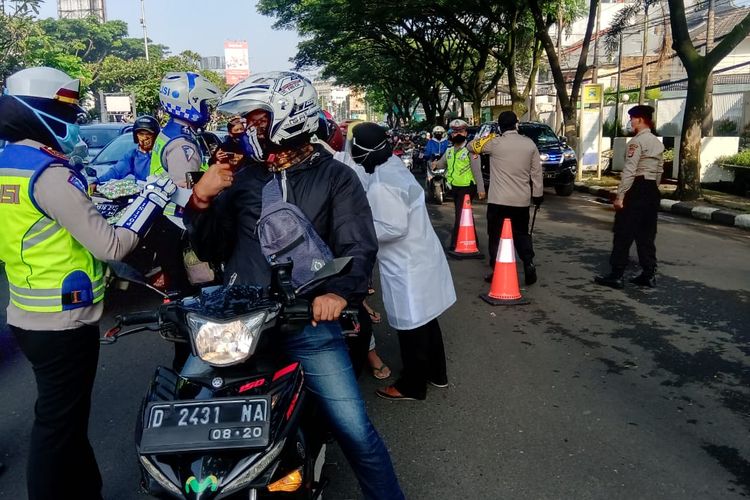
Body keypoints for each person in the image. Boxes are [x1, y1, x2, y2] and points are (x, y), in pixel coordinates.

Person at [184, 71, 404, 500]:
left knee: (355, 430)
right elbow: (209, 247)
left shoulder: (337, 178)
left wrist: (338, 293)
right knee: (183, 407)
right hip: (237, 327)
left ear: (289, 114)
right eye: (247, 120)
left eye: (257, 118)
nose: (249, 127)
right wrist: (203, 197)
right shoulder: (242, 177)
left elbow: (358, 246)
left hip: (309, 327)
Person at [0, 67, 175, 500]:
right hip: (63, 323)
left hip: (26, 314)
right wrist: (150, 202)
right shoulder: (48, 173)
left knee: (66, 419)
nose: (75, 122)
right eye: (68, 112)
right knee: (57, 426)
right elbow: (110, 245)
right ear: (42, 112)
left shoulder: (8, 165)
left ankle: (85, 491)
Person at [350, 123, 456, 401]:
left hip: (407, 265)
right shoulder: (393, 165)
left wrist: (360, 230)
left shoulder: (382, 183)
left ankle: (412, 385)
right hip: (420, 256)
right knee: (427, 319)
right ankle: (437, 373)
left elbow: (392, 227)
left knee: (411, 327)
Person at [470, 110, 543, 285]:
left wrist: (490, 137)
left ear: (500, 127)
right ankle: (528, 262)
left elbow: (471, 146)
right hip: (521, 201)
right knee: (522, 234)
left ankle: (497, 270)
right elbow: (537, 173)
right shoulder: (529, 144)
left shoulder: (495, 143)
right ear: (516, 124)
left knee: (495, 236)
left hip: (498, 201)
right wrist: (538, 195)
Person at [595, 105, 664, 289]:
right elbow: (659, 171)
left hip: (637, 188)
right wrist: (652, 191)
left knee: (623, 232)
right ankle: (649, 273)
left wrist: (620, 196)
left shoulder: (636, 142)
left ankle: (616, 274)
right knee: (646, 234)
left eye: (632, 118)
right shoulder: (657, 143)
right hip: (651, 190)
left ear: (640, 120)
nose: (631, 122)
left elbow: (630, 171)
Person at [150, 71, 220, 186]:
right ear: (188, 103)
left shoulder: (170, 132)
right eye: (203, 103)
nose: (206, 109)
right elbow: (185, 192)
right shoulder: (182, 144)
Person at [433, 118, 486, 249]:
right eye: (455, 132)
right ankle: (473, 242)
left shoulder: (471, 150)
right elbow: (442, 163)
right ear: (451, 134)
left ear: (466, 133)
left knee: (460, 215)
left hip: (467, 187)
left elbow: (477, 170)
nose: (458, 134)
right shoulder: (449, 151)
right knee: (464, 215)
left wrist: (481, 189)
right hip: (455, 187)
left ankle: (455, 243)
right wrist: (435, 164)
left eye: (461, 132)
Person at [95, 115, 160, 184]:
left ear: (156, 136)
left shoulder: (162, 153)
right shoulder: (132, 156)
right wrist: (97, 182)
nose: (144, 138)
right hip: (144, 192)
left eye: (149, 134)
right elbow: (116, 171)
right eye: (141, 134)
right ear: (136, 136)